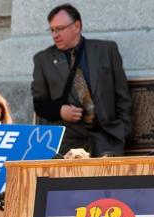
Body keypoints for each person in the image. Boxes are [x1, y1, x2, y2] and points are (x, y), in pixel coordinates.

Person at [31, 3, 132, 157]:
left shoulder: (106, 50)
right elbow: (39, 104)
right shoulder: (43, 59)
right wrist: (60, 111)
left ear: (77, 26)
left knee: (109, 181)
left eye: (59, 29)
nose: (55, 35)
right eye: (52, 30)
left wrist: (123, 131)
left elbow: (123, 94)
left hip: (107, 137)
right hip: (68, 141)